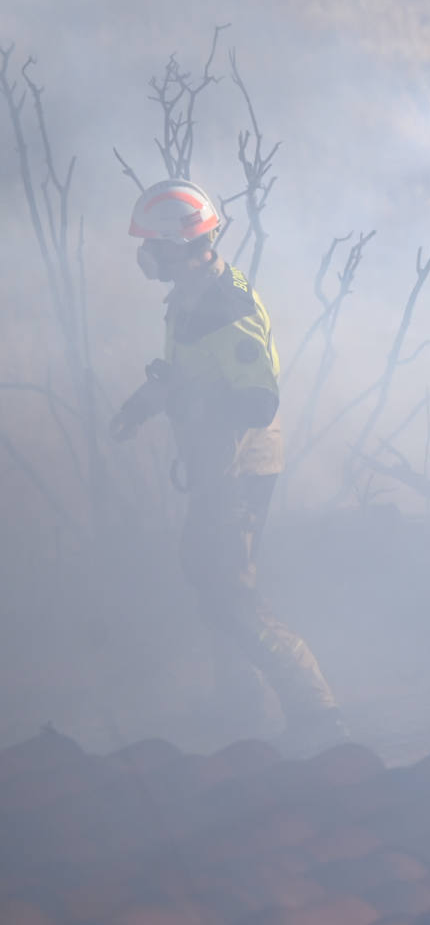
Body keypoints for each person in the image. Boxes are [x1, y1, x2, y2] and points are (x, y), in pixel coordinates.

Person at [111, 178, 346, 752]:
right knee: (207, 574)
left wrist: (194, 405)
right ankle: (239, 700)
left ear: (178, 244)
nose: (146, 256)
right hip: (216, 466)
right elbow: (181, 371)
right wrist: (144, 404)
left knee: (227, 591)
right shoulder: (191, 297)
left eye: (153, 245)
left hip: (240, 469)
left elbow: (258, 400)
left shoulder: (227, 308)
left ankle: (315, 711)